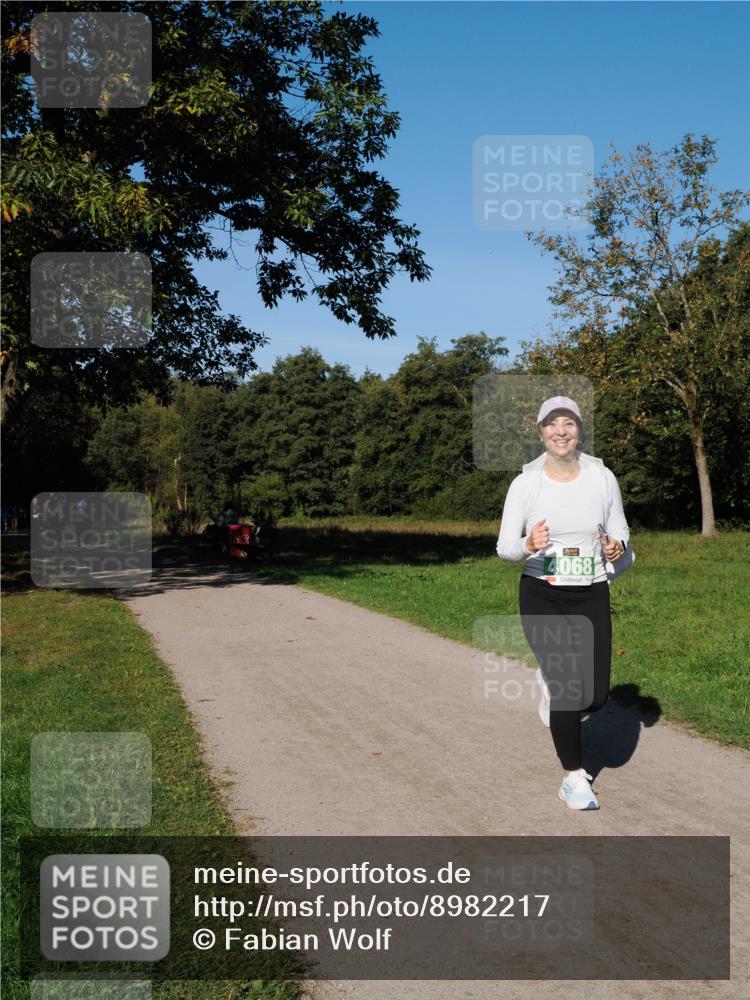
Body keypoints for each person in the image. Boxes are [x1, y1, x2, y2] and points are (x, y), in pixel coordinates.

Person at [496, 396, 631, 811]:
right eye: (552, 424)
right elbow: (504, 548)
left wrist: (615, 548)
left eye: (569, 423)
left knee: (594, 697)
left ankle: (552, 693)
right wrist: (527, 543)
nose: (561, 431)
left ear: (579, 431)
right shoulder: (526, 484)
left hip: (591, 591)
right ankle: (573, 778)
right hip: (542, 593)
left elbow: (623, 539)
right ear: (541, 432)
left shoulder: (602, 478)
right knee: (569, 689)